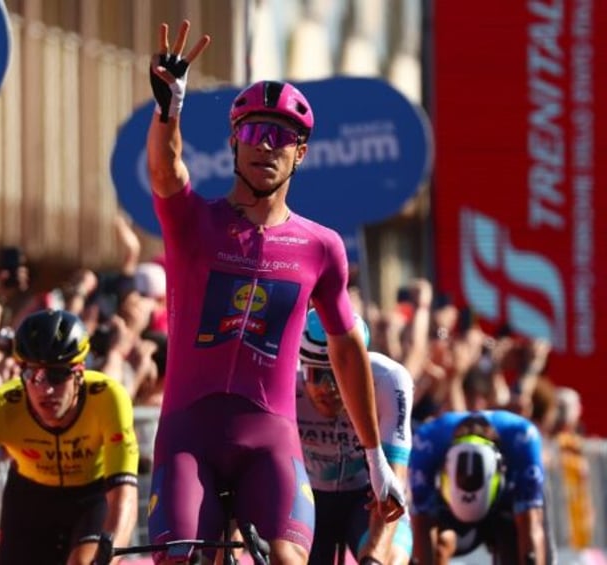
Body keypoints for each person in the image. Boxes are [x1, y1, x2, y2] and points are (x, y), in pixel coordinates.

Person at [144, 20, 405, 564]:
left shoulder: (321, 247)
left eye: (281, 136)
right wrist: (168, 110)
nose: (266, 146)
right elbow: (167, 170)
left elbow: (347, 349)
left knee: (287, 559)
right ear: (234, 143)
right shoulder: (195, 222)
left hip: (270, 441)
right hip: (189, 437)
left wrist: (377, 459)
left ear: (301, 153)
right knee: (184, 559)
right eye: (253, 132)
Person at [0, 309, 139, 565]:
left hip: (91, 497)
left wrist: (109, 554)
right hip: (30, 500)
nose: (46, 389)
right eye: (33, 375)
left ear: (79, 373)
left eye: (57, 374)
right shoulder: (0, 407)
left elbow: (124, 494)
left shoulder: (108, 398)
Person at [297, 310, 413, 565]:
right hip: (308, 497)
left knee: (389, 560)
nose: (326, 388)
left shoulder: (388, 379)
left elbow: (394, 480)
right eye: (315, 375)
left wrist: (373, 559)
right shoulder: (286, 380)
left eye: (338, 377)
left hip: (366, 497)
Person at [409, 410, 553, 565]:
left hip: (505, 506)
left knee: (517, 547)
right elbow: (422, 525)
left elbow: (530, 523)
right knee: (435, 544)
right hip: (448, 510)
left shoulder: (523, 438)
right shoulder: (426, 443)